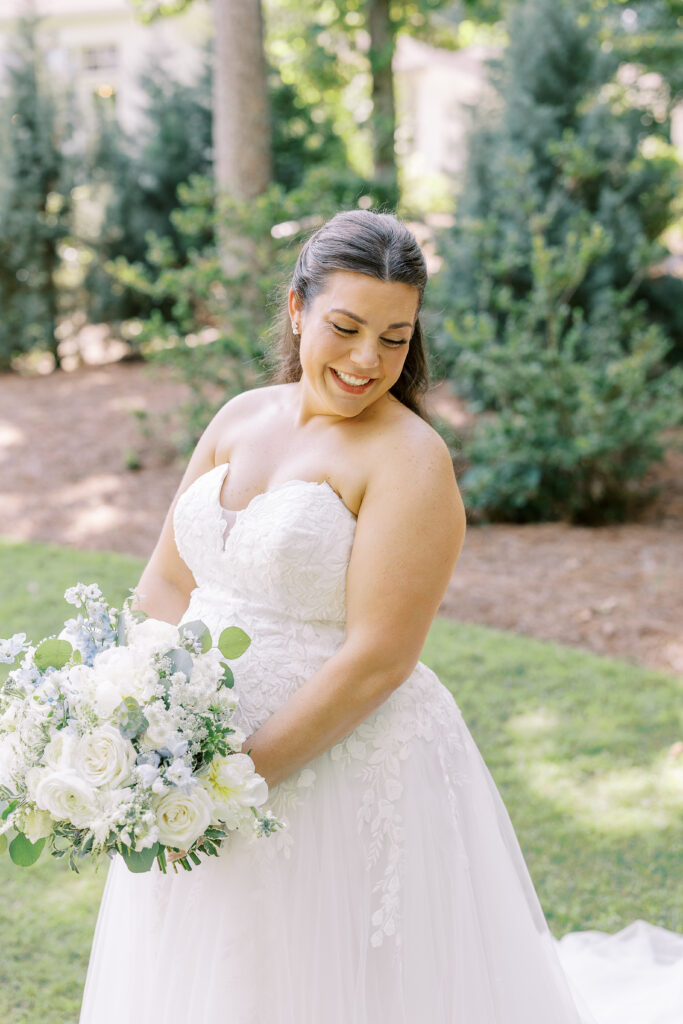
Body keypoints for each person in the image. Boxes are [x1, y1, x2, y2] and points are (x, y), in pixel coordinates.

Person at [76, 211, 675, 1023]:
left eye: (394, 338)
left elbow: (378, 659)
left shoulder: (409, 458)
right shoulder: (239, 417)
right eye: (347, 327)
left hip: (330, 768)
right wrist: (137, 725)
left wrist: (228, 785)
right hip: (188, 757)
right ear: (297, 309)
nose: (367, 360)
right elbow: (164, 583)